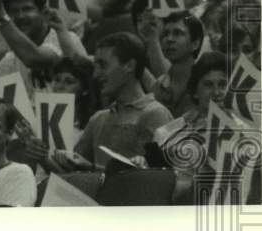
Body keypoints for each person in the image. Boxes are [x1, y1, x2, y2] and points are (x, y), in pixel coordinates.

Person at [52, 33, 173, 171]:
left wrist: (92, 168)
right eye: (95, 66)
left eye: (103, 65)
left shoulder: (156, 115)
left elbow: (158, 177)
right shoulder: (98, 119)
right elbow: (68, 172)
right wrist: (42, 156)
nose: (95, 74)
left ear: (129, 65)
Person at [149, 10, 205, 117]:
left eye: (178, 33)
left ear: (195, 44)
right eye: (166, 34)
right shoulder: (158, 87)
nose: (169, 39)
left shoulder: (206, 84)